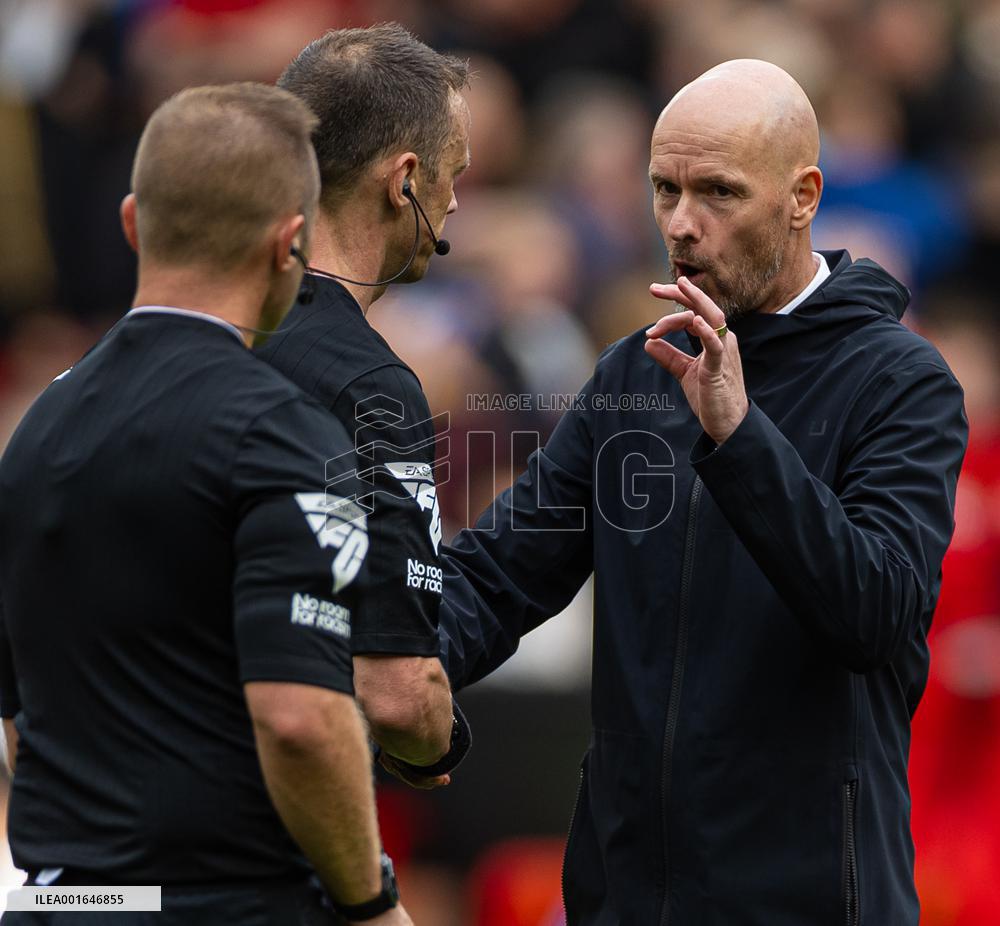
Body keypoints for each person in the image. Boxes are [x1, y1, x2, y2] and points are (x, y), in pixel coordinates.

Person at [439, 60, 968, 924]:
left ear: (803, 196)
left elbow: (874, 613)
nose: (682, 225)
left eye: (718, 192)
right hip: (628, 897)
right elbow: (498, 576)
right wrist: (375, 652)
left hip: (808, 901)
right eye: (664, 189)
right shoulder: (630, 375)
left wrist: (740, 435)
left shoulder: (900, 380)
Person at [0, 83, 410, 925]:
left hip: (63, 900)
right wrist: (371, 903)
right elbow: (299, 718)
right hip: (222, 905)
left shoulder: (35, 430)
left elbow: (18, 722)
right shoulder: (282, 434)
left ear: (131, 223)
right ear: (290, 247)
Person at [256, 24, 471, 784]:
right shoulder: (371, 389)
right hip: (243, 843)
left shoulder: (162, 338)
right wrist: (436, 741)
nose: (454, 202)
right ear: (404, 180)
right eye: (454, 174)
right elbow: (398, 697)